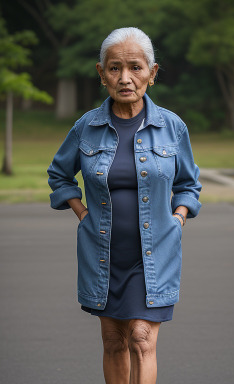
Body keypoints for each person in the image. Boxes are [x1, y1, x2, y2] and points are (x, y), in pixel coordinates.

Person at [47, 27, 202, 384]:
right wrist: (82, 213)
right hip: (103, 253)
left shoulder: (172, 128)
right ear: (101, 74)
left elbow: (189, 183)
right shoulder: (86, 127)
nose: (126, 78)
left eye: (135, 67)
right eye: (114, 68)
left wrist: (177, 219)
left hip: (155, 253)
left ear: (152, 72)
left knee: (141, 338)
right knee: (114, 341)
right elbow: (59, 175)